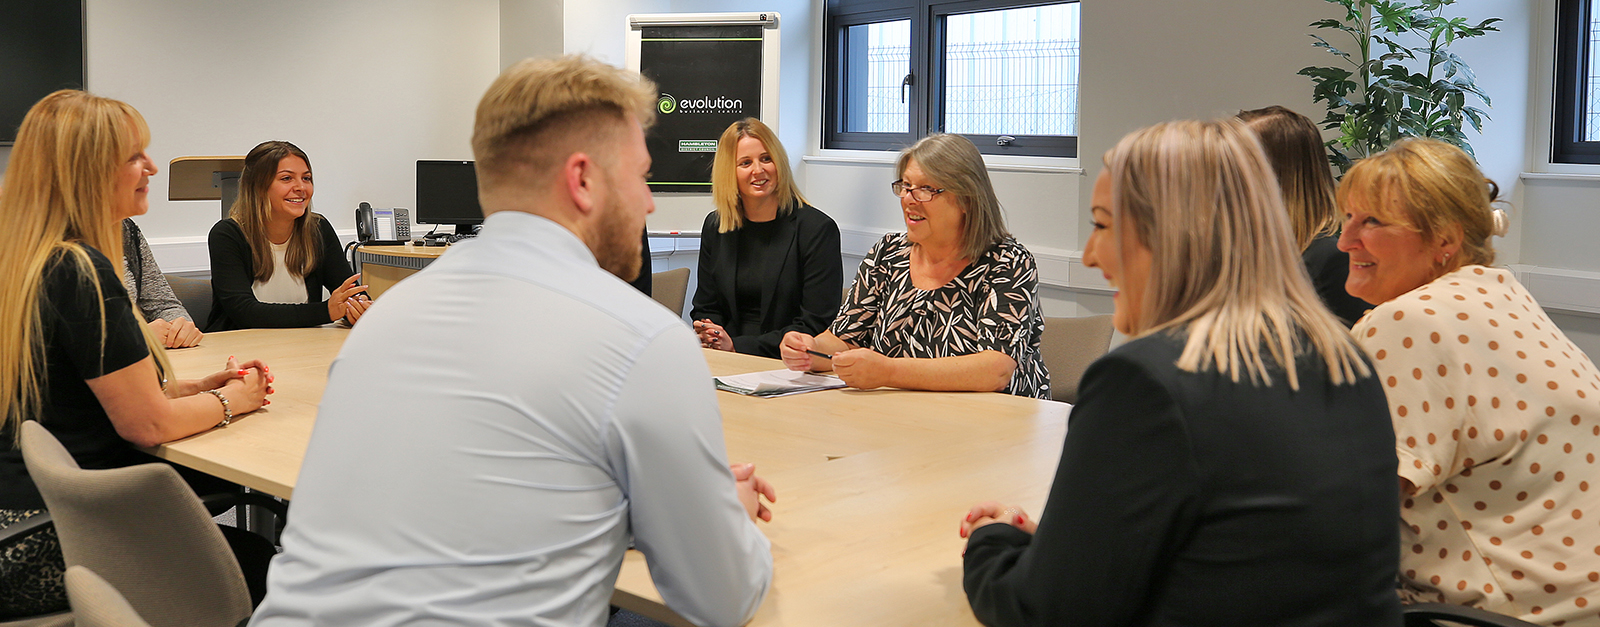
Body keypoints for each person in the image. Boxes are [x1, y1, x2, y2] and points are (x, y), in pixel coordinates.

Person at [247, 56, 775, 627]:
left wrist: (647, 508)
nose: (647, 203)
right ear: (582, 179)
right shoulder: (641, 337)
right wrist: (720, 517)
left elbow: (487, 501)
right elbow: (722, 599)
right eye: (640, 176)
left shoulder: (385, 318)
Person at [959, 119, 1401, 626]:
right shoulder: (1345, 358)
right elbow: (1248, 554)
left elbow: (1043, 611)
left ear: (1171, 236)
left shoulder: (1145, 383)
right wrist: (1073, 547)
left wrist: (992, 541)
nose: (1088, 255)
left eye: (1102, 225)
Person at [0, 90, 274, 617]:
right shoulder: (81, 272)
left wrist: (190, 388)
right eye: (133, 156)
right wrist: (235, 401)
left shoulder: (31, 259)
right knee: (263, 564)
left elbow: (75, 393)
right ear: (87, 170)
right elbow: (145, 426)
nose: (150, 166)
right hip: (44, 538)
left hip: (20, 513)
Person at [1340, 138, 1600, 626]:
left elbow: (1357, 513)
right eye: (1348, 218)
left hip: (1523, 615)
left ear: (1444, 239)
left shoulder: (1406, 321)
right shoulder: (1500, 293)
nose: (1344, 240)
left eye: (1371, 222)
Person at [778, 134, 1049, 399]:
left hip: (997, 424)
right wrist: (810, 349)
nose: (909, 199)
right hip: (902, 416)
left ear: (966, 198)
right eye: (905, 186)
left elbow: (995, 370)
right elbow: (847, 337)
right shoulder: (888, 253)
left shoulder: (1007, 262)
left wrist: (888, 372)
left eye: (926, 189)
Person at [690, 118, 841, 358]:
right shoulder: (715, 226)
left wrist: (739, 346)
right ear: (729, 171)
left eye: (766, 159)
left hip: (788, 362)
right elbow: (706, 306)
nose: (758, 170)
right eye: (745, 163)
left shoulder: (817, 229)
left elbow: (815, 323)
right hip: (724, 357)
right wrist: (711, 332)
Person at [206, 141, 368, 332]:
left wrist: (357, 306)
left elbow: (348, 291)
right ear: (258, 187)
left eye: (306, 178)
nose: (301, 187)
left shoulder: (318, 229)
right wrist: (327, 311)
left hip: (302, 344)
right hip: (239, 350)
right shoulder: (227, 234)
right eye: (286, 178)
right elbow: (245, 313)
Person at [1238, 105, 1371, 325]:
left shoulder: (1329, 261)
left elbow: (1352, 353)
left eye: (1236, 163)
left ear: (1277, 176)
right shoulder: (1242, 253)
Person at [122, 218, 204, 347]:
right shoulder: (79, 249)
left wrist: (179, 329)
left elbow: (162, 305)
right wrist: (137, 337)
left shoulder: (127, 229)